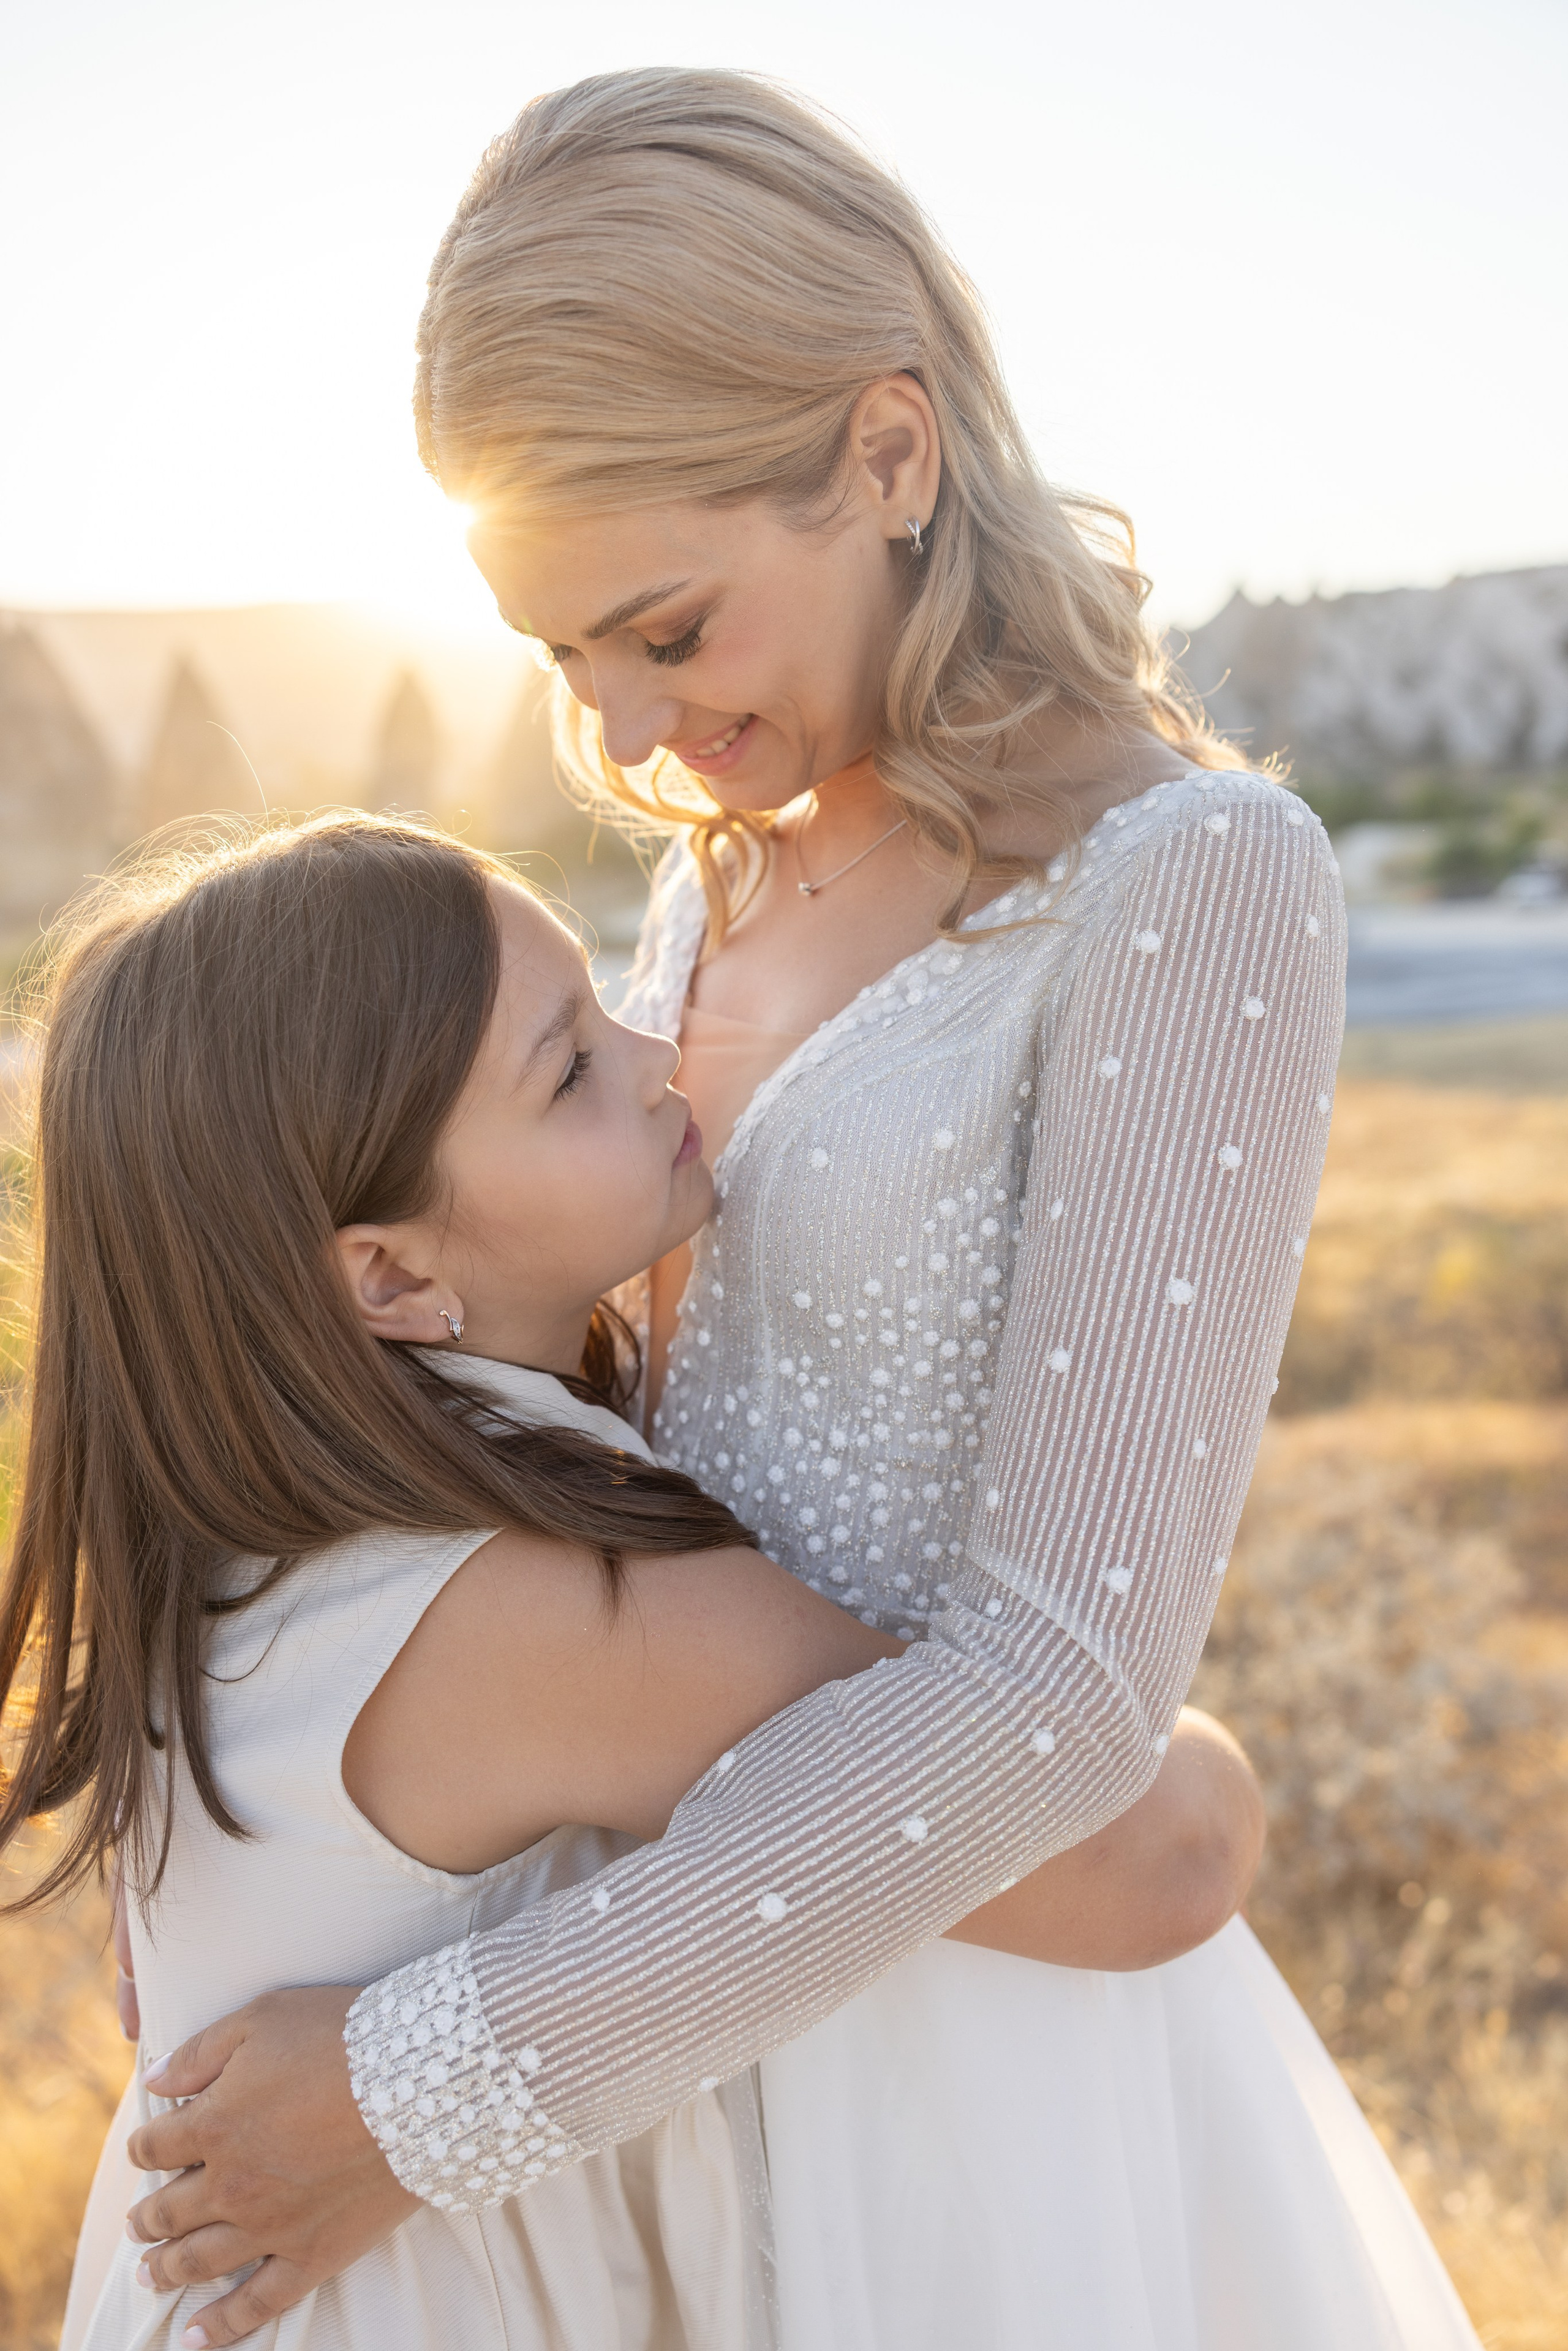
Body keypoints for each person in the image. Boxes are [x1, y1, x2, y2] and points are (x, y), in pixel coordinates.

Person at [115, 66, 1478, 2350]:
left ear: (889, 452)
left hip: (963, 2059)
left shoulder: (1194, 882)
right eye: (567, 660)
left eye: (670, 625)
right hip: (628, 2027)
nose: (639, 730)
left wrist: (421, 2089)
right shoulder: (700, 884)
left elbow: (1056, 1683)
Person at [12, 815, 1257, 2351]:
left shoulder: (233, 1531)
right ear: (390, 1274)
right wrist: (1172, 1726)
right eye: (568, 1068)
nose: (658, 1039)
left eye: (603, 995)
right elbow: (1160, 1860)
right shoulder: (552, 1612)